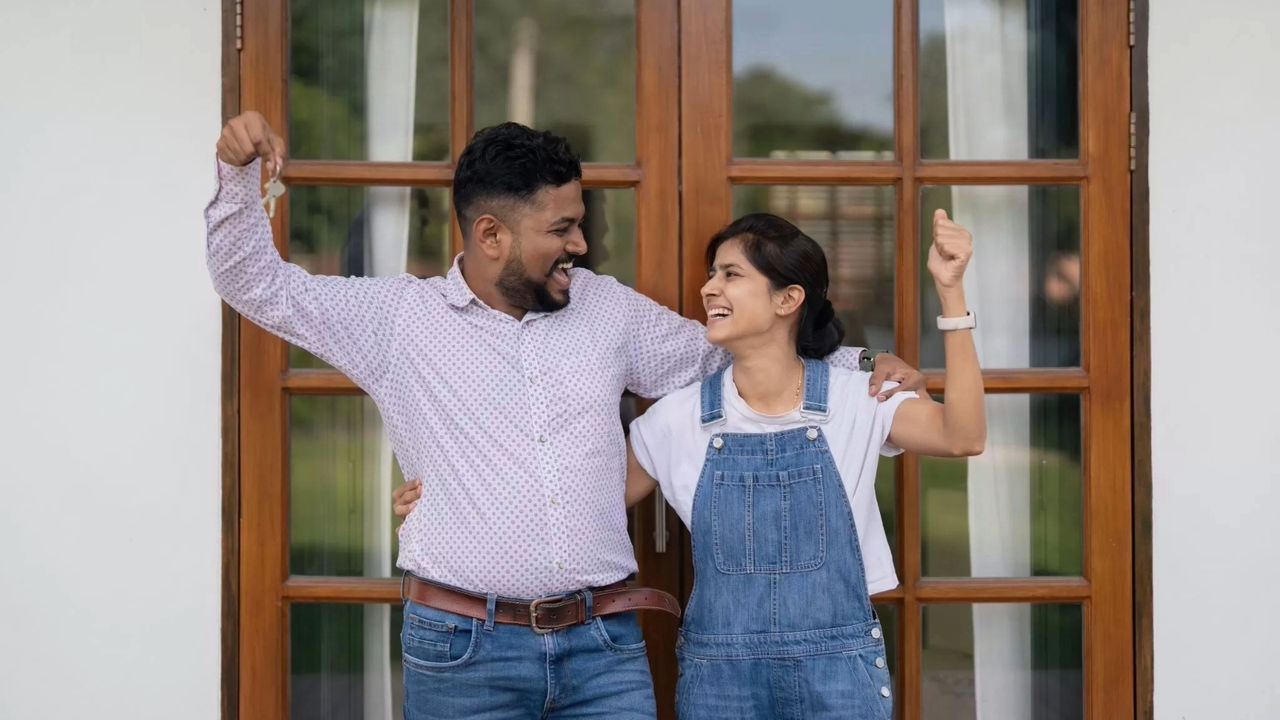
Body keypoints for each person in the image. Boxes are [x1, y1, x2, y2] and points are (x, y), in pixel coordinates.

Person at [207, 111, 926, 720]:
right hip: (463, 651)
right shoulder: (397, 320)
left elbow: (729, 354)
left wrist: (859, 363)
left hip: (603, 650)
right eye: (563, 228)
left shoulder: (604, 308)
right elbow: (253, 282)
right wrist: (237, 171)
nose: (580, 245)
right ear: (491, 235)